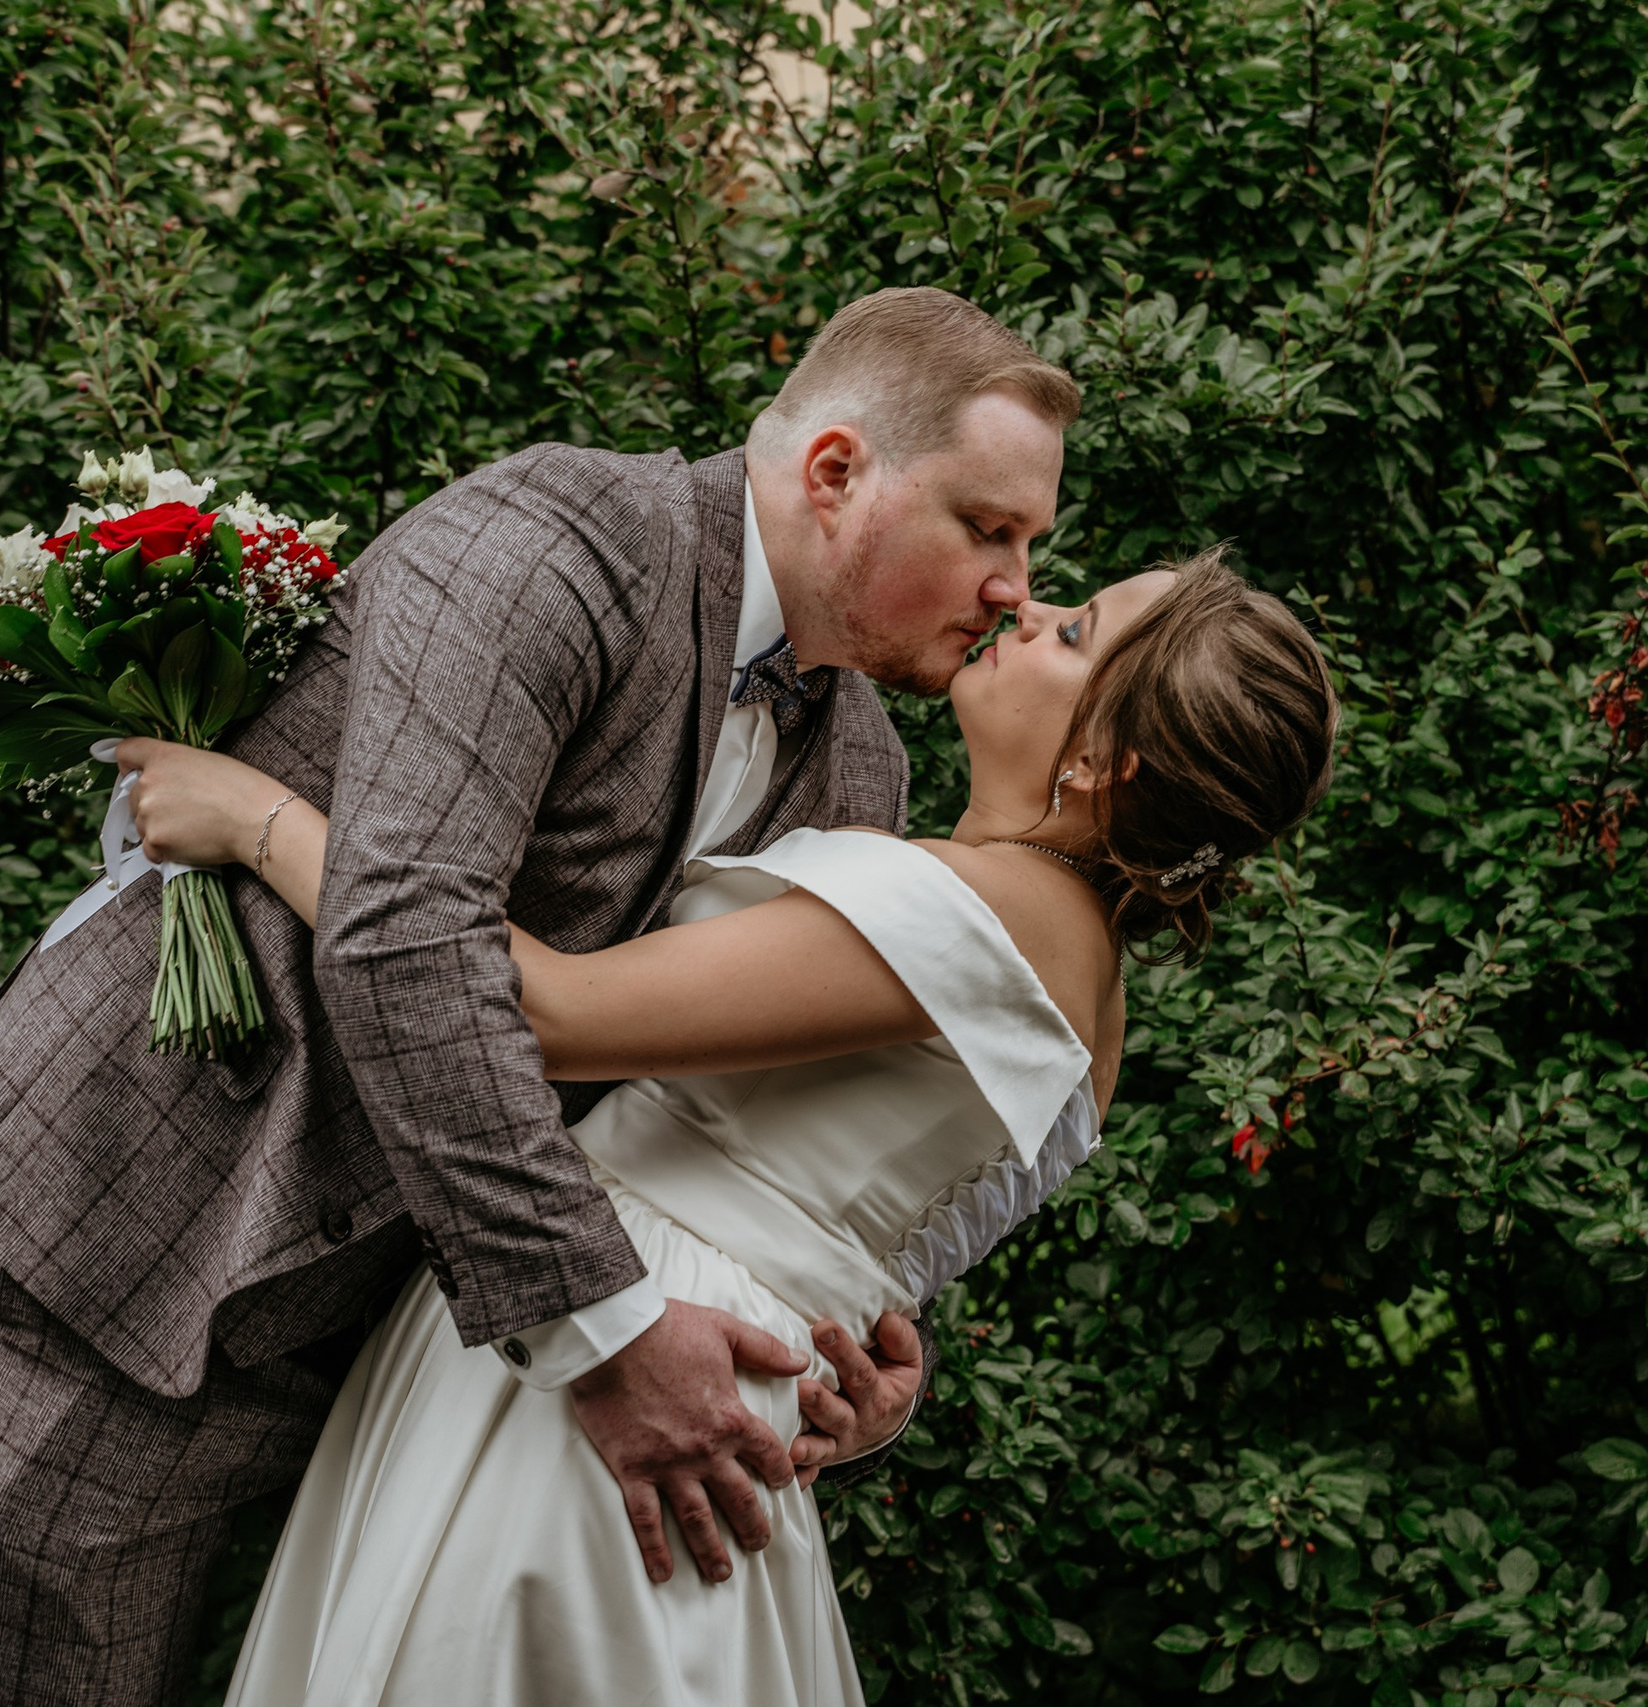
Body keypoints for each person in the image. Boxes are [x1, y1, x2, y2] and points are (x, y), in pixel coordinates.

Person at [0, 287, 1082, 1706]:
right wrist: (605, 1332)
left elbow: (711, 1121)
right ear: (839, 472)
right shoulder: (559, 539)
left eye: (1031, 544)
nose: (1015, 585)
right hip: (157, 1232)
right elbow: (408, 937)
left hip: (433, 1351)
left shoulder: (867, 771)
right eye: (990, 528)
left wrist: (857, 1356)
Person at [112, 548, 1341, 1704]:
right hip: (722, 1374)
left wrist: (255, 820)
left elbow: (541, 1013)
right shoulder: (1090, 988)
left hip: (624, 1339)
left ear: (1109, 757)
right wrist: (868, 1381)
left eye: (1072, 633)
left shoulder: (994, 912)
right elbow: (856, 1236)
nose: (1022, 607)